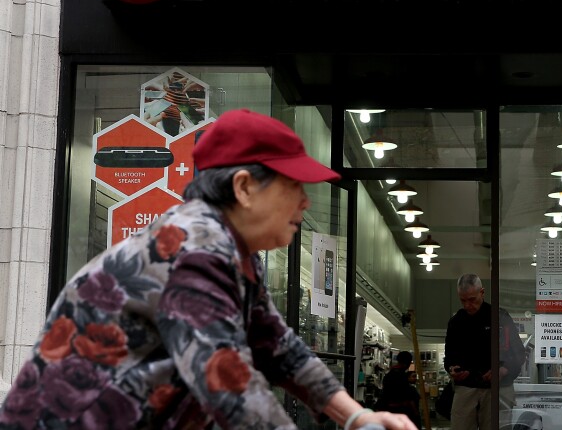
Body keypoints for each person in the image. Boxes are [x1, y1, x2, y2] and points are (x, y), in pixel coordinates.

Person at [0, 109, 416, 430]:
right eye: (294, 186)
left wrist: (356, 417)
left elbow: (277, 345)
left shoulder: (232, 249)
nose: (306, 202)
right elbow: (227, 379)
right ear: (244, 187)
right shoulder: (195, 250)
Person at [443, 273, 526, 430]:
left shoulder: (500, 317)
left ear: (482, 292)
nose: (468, 305)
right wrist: (452, 369)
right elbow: (449, 358)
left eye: (472, 299)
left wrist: (502, 370)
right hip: (467, 387)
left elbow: (519, 353)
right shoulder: (456, 322)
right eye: (463, 300)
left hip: (498, 387)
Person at [375, 351, 422, 427]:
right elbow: (408, 397)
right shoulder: (402, 376)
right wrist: (415, 413)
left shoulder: (389, 374)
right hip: (400, 411)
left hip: (388, 410)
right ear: (407, 362)